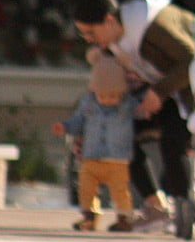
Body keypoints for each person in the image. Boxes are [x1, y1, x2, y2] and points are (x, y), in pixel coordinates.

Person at [72, 0, 195, 232]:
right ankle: (155, 208)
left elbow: (192, 59)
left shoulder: (151, 26)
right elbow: (108, 87)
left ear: (109, 21)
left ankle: (185, 212)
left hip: (190, 96)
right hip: (162, 95)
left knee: (172, 141)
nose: (88, 40)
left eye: (90, 32)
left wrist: (159, 92)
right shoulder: (113, 41)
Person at [53, 52, 139, 232]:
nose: (107, 101)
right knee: (86, 188)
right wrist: (66, 127)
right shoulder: (89, 104)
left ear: (122, 92)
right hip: (91, 156)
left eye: (113, 97)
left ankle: (124, 217)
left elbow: (141, 109)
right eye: (102, 96)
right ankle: (89, 216)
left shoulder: (127, 105)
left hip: (117, 159)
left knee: (120, 191)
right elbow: (79, 121)